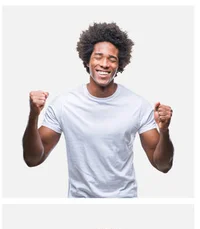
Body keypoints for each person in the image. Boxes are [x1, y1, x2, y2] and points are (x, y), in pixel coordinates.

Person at [22, 22, 174, 198]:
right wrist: (34, 115)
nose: (104, 64)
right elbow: (32, 159)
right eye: (98, 56)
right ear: (87, 60)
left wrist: (164, 131)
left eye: (112, 59)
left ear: (119, 65)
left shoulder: (137, 105)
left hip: (124, 200)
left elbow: (163, 165)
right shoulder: (64, 104)